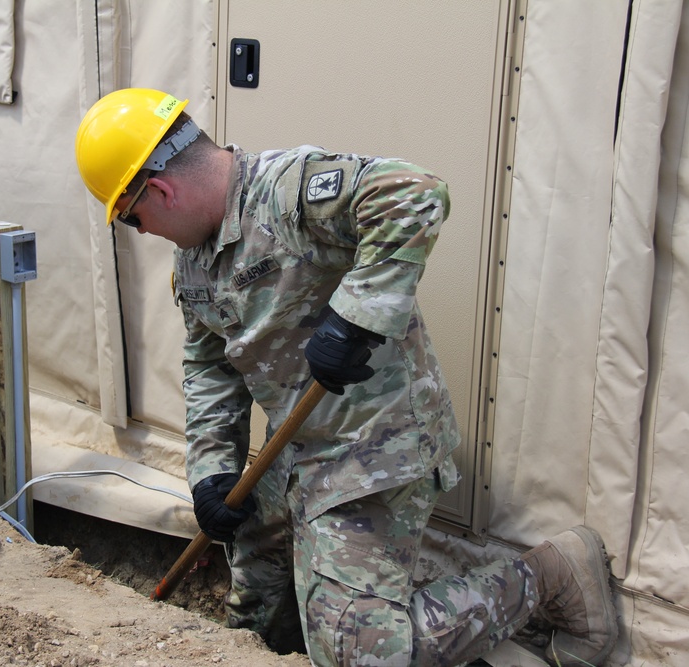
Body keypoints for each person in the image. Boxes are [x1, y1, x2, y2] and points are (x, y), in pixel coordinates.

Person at [74, 88, 618, 667]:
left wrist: (355, 315)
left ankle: (551, 574)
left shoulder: (286, 192)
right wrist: (212, 474)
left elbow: (415, 192)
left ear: (159, 189)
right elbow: (209, 366)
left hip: (376, 446)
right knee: (253, 569)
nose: (143, 232)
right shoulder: (193, 260)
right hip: (298, 445)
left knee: (361, 657)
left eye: (133, 219)